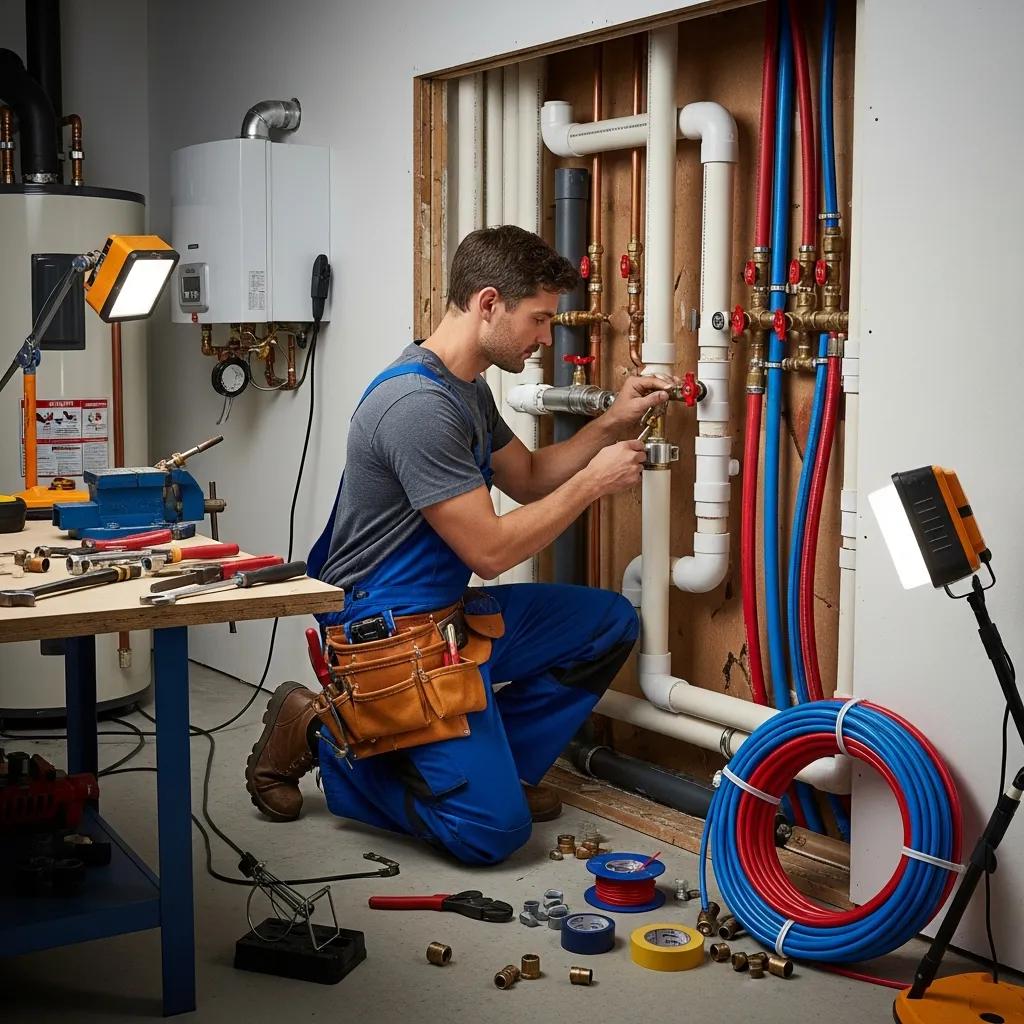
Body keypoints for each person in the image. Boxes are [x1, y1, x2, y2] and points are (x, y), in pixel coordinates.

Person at [245, 225, 678, 865]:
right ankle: (328, 735)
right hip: (386, 634)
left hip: (441, 617)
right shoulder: (416, 405)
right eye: (537, 320)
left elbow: (527, 479)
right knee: (492, 836)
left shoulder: (465, 388)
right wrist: (593, 484)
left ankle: (497, 769)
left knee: (607, 623)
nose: (544, 338)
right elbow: (491, 553)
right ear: (487, 303)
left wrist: (612, 419)